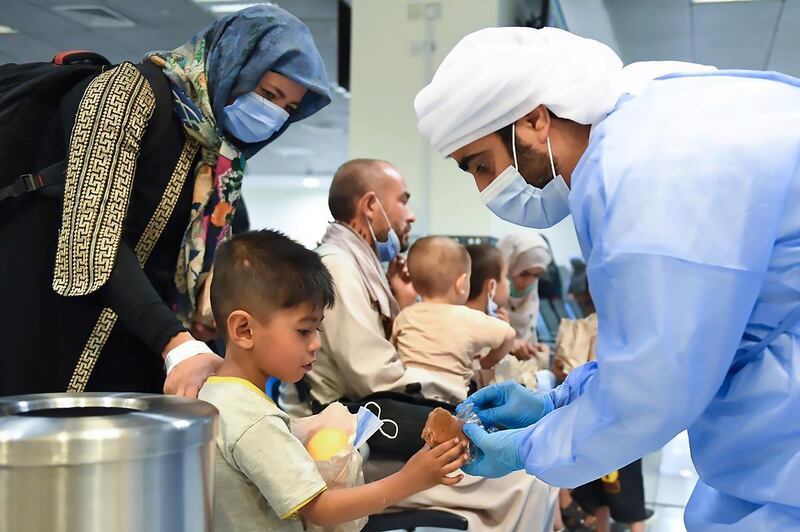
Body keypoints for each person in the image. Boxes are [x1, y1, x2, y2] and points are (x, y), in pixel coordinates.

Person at [414, 26, 800, 530]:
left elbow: (651, 388)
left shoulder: (641, 174)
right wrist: (559, 400)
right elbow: (650, 346)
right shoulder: (642, 124)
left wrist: (529, 447)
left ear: (534, 120)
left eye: (481, 165)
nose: (486, 189)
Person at [0, 5, 331, 397]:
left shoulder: (220, 158)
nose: (273, 115)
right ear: (233, 61)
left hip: (137, 352)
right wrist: (175, 342)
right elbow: (89, 243)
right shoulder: (125, 92)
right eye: (268, 94)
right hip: (47, 336)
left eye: (287, 108)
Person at [281, 158, 558, 531]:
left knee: (525, 471)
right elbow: (372, 374)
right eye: (403, 201)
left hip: (378, 420)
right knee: (527, 480)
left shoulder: (358, 263)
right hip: (358, 438)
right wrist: (446, 378)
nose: (410, 216)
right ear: (370, 206)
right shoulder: (340, 268)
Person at [198, 229, 468, 532]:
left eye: (317, 330)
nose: (315, 344)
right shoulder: (254, 419)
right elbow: (321, 509)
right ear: (244, 330)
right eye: (303, 331)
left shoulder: (216, 394)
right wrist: (411, 480)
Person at [393, 236, 516, 403]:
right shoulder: (469, 318)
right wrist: (487, 362)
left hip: (407, 397)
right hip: (450, 403)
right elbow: (509, 335)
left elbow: (392, 351)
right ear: (461, 283)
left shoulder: (405, 316)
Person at [499, 233, 553, 368]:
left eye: (537, 275)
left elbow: (528, 335)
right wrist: (507, 344)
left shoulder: (532, 298)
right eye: (524, 273)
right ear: (507, 268)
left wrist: (533, 350)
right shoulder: (487, 299)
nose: (529, 282)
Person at [464, 243, 511, 319]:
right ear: (492, 286)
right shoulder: (497, 328)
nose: (509, 283)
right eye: (506, 276)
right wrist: (505, 328)